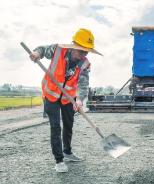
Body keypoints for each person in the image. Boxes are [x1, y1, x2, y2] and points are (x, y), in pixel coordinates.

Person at [29, 28, 102, 173]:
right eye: (81, 51)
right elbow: (42, 49)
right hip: (51, 95)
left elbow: (83, 83)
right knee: (56, 127)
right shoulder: (57, 50)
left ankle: (67, 152)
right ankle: (59, 160)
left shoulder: (84, 64)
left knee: (69, 124)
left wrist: (80, 99)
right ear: (73, 46)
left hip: (68, 97)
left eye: (86, 52)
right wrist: (37, 53)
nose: (83, 55)